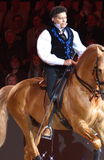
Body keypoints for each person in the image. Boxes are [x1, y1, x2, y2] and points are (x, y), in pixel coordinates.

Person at [36, 5, 86, 139]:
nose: (64, 21)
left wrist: (84, 56)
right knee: (53, 94)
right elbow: (44, 54)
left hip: (70, 67)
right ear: (54, 19)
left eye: (65, 18)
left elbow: (81, 49)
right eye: (61, 18)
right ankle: (48, 125)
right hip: (53, 68)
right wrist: (63, 62)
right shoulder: (46, 34)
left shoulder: (72, 32)